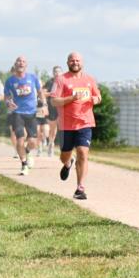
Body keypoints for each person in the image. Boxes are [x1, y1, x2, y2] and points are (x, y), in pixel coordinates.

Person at [50, 52, 101, 200]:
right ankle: (68, 163)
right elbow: (54, 101)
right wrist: (71, 98)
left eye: (77, 60)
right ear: (67, 63)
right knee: (65, 155)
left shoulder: (90, 80)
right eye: (72, 60)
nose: (75, 62)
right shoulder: (61, 80)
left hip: (85, 122)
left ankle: (80, 188)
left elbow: (98, 97)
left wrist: (95, 99)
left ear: (82, 63)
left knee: (83, 153)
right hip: (66, 125)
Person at [4, 56, 43, 175]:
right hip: (17, 113)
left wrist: (44, 104)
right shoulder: (10, 81)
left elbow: (40, 92)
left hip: (31, 113)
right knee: (20, 140)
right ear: (15, 65)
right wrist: (8, 103)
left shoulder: (33, 78)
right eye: (18, 61)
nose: (21, 63)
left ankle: (27, 151)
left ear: (26, 65)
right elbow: (6, 97)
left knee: (33, 142)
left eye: (23, 61)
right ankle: (24, 164)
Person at [43, 65, 63, 156]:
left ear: (61, 73)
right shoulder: (50, 82)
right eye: (55, 71)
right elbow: (43, 93)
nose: (57, 73)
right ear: (53, 73)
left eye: (59, 71)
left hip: (61, 107)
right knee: (52, 128)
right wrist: (51, 93)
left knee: (57, 128)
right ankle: (51, 142)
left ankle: (53, 144)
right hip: (50, 107)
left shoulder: (64, 82)